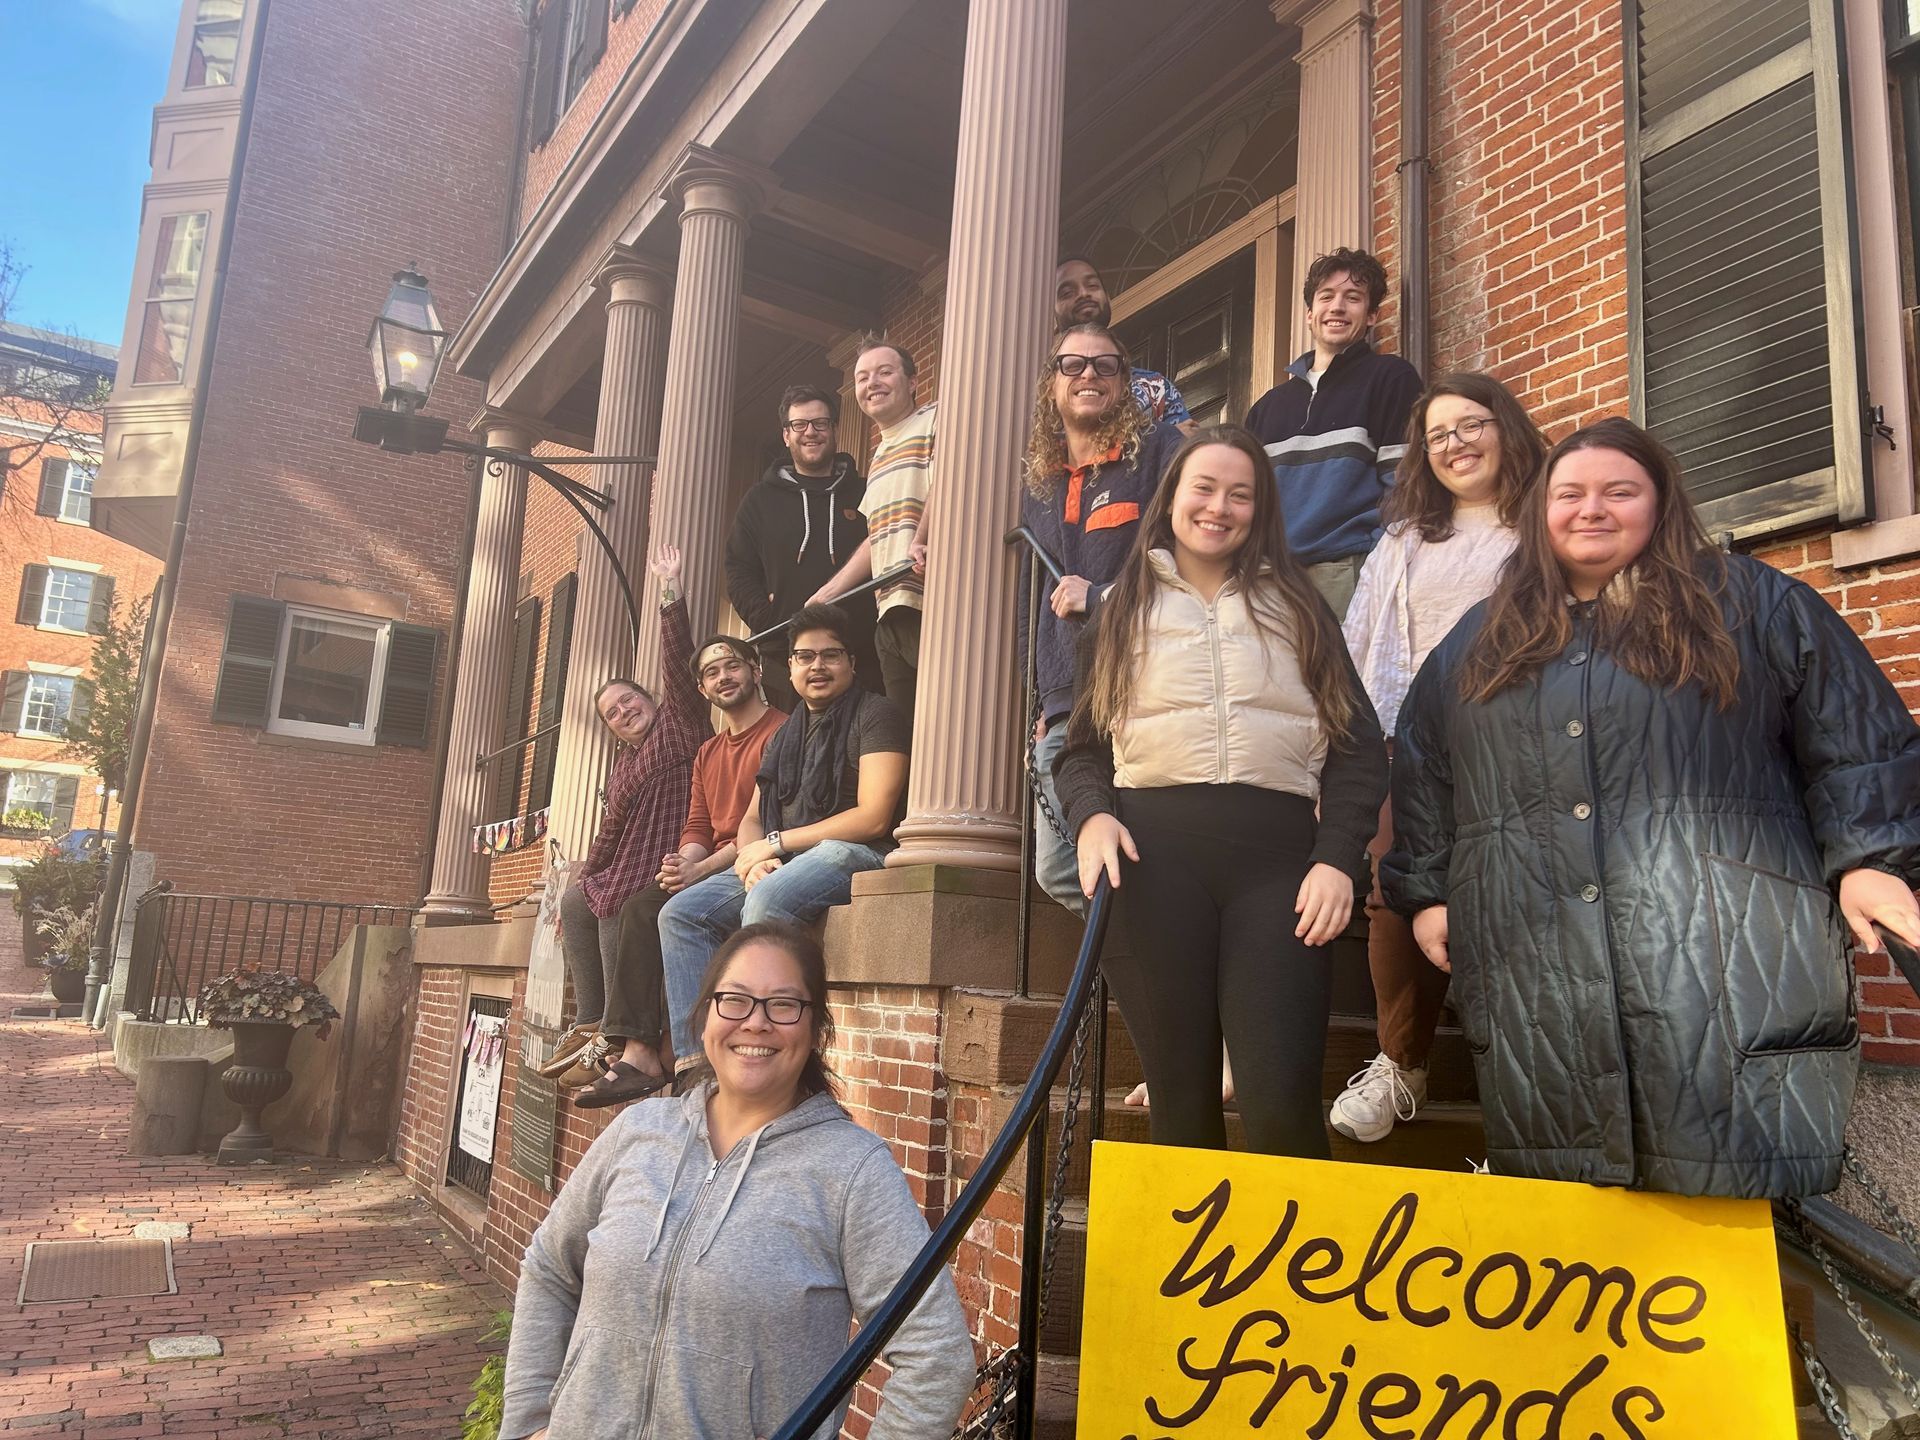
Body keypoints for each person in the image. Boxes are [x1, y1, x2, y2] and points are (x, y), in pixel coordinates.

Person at [1385, 417, 1920, 1198]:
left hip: (1717, 944)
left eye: (1618, 491)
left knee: (1721, 1187)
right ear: (1541, 511)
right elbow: (1426, 770)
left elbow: (1854, 736)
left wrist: (1870, 860)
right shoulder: (1480, 641)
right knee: (1579, 1212)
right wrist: (1428, 892)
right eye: (1568, 494)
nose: (1590, 509)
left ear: (1660, 502)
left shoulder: (1753, 605)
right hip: (1539, 956)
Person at [499, 922, 973, 1440]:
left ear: (816, 1032)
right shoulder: (638, 1131)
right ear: (704, 1019)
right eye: (736, 1000)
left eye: (784, 1005)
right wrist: (528, 1424)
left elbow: (936, 1356)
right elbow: (550, 1267)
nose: (757, 1023)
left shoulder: (851, 1170)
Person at [1056, 425, 1387, 1156]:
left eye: (1241, 494)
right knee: (1181, 1102)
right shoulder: (1115, 614)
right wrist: (1091, 820)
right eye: (1203, 488)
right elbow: (1079, 754)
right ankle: (1180, 1271)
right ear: (1171, 496)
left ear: (1260, 509)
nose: (1219, 507)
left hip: (1279, 872)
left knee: (1282, 1109)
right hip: (1150, 866)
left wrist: (1337, 857)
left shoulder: (1301, 610)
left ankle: (1300, 1272)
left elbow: (1359, 750)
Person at [1327, 373, 1548, 1144]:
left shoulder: (1543, 527)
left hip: (1521, 737)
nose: (1456, 445)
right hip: (1409, 736)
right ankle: (1402, 1065)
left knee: (1515, 899)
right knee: (1395, 887)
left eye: (1471, 425)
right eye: (1438, 435)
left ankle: (1528, 1083)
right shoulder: (1406, 539)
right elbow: (1359, 644)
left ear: (1505, 428)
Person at [659, 603, 910, 1085]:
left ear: (851, 663)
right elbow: (753, 818)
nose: (817, 666)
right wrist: (750, 862)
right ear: (791, 667)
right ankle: (699, 1069)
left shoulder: (877, 714)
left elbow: (873, 815)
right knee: (680, 913)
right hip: (788, 857)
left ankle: (769, 1057)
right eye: (804, 656)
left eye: (830, 655)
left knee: (769, 901)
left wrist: (773, 845)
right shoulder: (784, 735)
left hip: (857, 851)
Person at [1018, 323, 1183, 914]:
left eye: (1105, 366)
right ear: (1051, 387)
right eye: (1073, 365)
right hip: (1067, 698)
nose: (1089, 375)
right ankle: (1148, 966)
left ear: (1125, 383)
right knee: (1062, 868)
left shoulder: (1163, 451)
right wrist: (1039, 700)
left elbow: (1191, 557)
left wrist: (1106, 595)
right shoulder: (1037, 484)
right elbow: (1031, 600)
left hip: (1145, 683)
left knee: (1143, 849)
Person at [543, 545, 707, 1107]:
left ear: (649, 700)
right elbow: (610, 833)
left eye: (628, 699)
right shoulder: (622, 769)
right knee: (575, 900)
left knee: (615, 906)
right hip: (629, 855)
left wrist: (670, 596)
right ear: (612, 730)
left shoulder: (680, 727)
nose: (623, 711)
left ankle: (618, 1040)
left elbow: (679, 665)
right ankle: (591, 1022)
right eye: (612, 712)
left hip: (669, 850)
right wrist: (587, 870)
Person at [1244, 246, 1424, 618]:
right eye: (1326, 297)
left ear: (1372, 315)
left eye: (1353, 298)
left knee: (1343, 679)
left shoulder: (1390, 377)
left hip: (1346, 571)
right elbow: (1248, 499)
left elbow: (1405, 483)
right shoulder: (1267, 407)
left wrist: (1377, 562)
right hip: (1270, 582)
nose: (1337, 307)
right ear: (1310, 314)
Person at [654, 633, 787, 1069]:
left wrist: (701, 870)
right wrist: (683, 863)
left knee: (680, 914)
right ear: (702, 690)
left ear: (756, 670)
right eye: (711, 673)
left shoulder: (781, 731)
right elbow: (697, 824)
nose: (723, 677)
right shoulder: (707, 752)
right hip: (718, 864)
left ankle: (697, 1061)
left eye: (731, 665)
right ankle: (633, 1048)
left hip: (762, 857)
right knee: (637, 907)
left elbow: (766, 822)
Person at [725, 383, 877, 710]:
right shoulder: (759, 501)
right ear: (786, 435)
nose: (811, 432)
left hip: (866, 654)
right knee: (796, 756)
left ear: (834, 428)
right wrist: (768, 621)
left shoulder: (865, 492)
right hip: (787, 659)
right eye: (800, 425)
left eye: (821, 423)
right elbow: (738, 569)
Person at [811, 339, 933, 721]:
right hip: (890, 610)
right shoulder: (879, 454)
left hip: (935, 600)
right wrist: (829, 593)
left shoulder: (937, 418)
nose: (872, 383)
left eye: (884, 372)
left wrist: (923, 536)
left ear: (912, 381)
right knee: (905, 736)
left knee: (947, 722)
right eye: (863, 377)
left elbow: (954, 479)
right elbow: (876, 538)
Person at [1053, 255, 1197, 433]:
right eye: (1067, 293)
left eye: (1092, 285)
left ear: (1107, 298)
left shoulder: (1155, 386)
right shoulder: (1050, 392)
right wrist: (1162, 435)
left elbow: (1185, 445)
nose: (1083, 294)